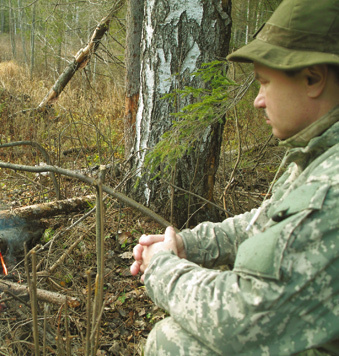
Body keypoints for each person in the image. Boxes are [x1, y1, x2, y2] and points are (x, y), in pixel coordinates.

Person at [130, 0, 339, 355]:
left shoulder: (331, 190)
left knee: (174, 342)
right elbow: (265, 222)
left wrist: (162, 267)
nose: (258, 101)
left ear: (313, 78)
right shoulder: (318, 155)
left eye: (265, 83)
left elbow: (239, 320)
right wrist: (187, 244)